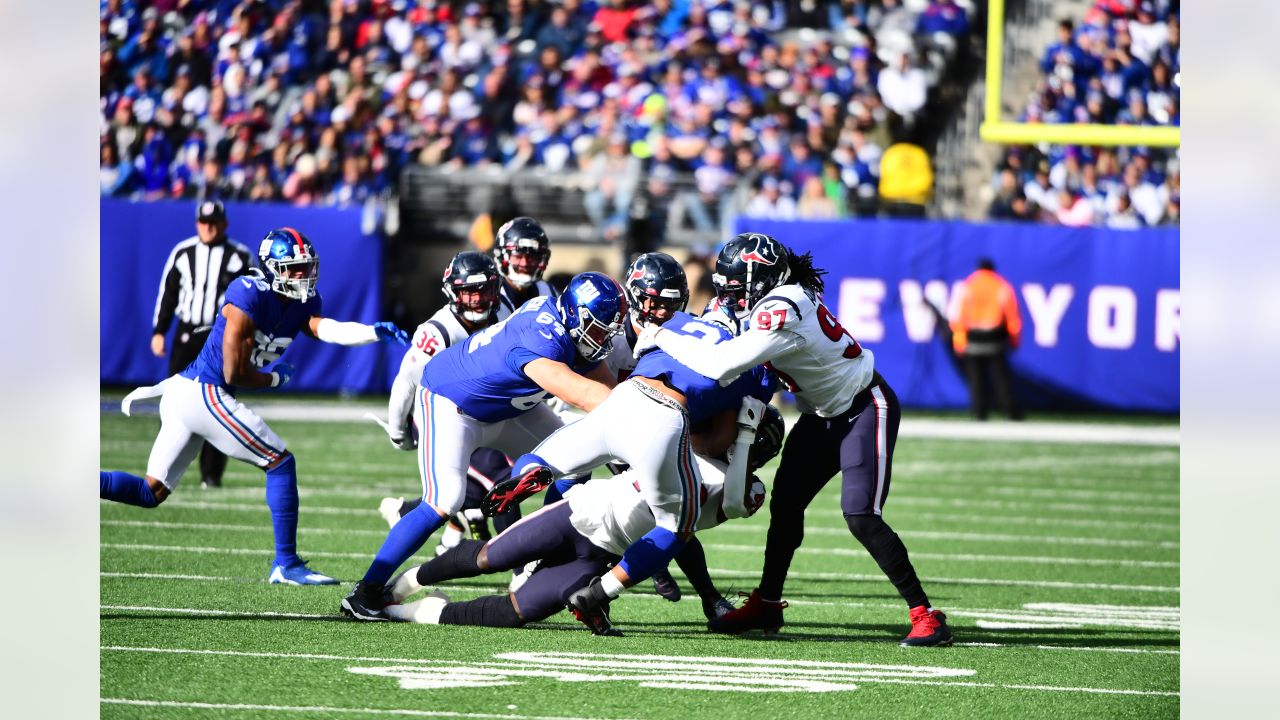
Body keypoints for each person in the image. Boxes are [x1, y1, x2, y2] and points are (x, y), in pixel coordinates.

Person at [632, 232, 953, 646]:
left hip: (864, 406)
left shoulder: (785, 305)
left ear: (763, 281)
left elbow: (722, 363)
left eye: (737, 289)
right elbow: (718, 328)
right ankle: (767, 602)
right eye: (726, 288)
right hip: (821, 414)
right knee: (785, 506)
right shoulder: (767, 299)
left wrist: (660, 334)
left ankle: (926, 615)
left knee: (860, 516)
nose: (730, 298)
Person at [101, 227, 412, 585]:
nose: (303, 276)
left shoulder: (303, 302)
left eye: (306, 267)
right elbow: (234, 371)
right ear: (271, 267)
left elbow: (327, 329)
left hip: (190, 393)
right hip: (203, 391)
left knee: (150, 492)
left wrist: (372, 332)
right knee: (280, 462)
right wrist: (275, 379)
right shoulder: (248, 293)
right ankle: (287, 564)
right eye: (294, 268)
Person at [340, 272, 628, 620]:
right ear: (575, 316)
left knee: (578, 461)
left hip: (508, 406)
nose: (603, 339)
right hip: (452, 403)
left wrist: (635, 411)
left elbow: (610, 391)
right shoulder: (542, 337)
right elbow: (582, 395)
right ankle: (365, 591)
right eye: (599, 329)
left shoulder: (570, 327)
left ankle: (542, 557)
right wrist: (650, 412)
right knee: (445, 500)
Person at [483, 298, 775, 635]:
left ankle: (532, 482)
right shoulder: (749, 367)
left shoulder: (670, 326)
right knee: (679, 522)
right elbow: (712, 444)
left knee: (560, 461)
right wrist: (745, 433)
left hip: (622, 403)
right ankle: (603, 592)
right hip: (662, 426)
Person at [383, 404, 785, 632]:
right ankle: (404, 584)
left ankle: (414, 612)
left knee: (514, 613)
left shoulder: (748, 490)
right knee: (489, 558)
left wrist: (747, 432)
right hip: (579, 511)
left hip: (599, 556)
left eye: (747, 436)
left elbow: (730, 502)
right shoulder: (682, 439)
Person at [374, 251, 524, 551]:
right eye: (469, 291)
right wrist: (398, 430)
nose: (478, 299)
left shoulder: (505, 311)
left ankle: (439, 523)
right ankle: (521, 566)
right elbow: (406, 381)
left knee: (506, 472)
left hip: (485, 410)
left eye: (484, 290)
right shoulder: (438, 332)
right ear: (453, 293)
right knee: (500, 478)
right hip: (438, 416)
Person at [148, 200, 251, 489]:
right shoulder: (183, 253)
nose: (209, 227)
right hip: (186, 334)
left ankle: (211, 475)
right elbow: (167, 293)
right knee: (173, 403)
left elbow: (251, 300)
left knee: (220, 405)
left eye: (214, 222)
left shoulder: (240, 256)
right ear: (197, 223)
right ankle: (162, 471)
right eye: (204, 222)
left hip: (221, 338)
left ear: (224, 224)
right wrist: (159, 331)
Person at [949, 258, 1023, 421]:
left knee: (976, 379)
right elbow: (1012, 317)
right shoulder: (1001, 286)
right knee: (1001, 379)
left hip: (972, 338)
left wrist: (959, 341)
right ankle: (1010, 411)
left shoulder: (968, 286)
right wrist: (1014, 340)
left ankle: (979, 412)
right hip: (994, 338)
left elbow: (957, 317)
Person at [493, 216, 557, 315]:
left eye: (532, 257)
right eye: (518, 256)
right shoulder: (489, 295)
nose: (525, 263)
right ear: (501, 256)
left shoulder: (547, 292)